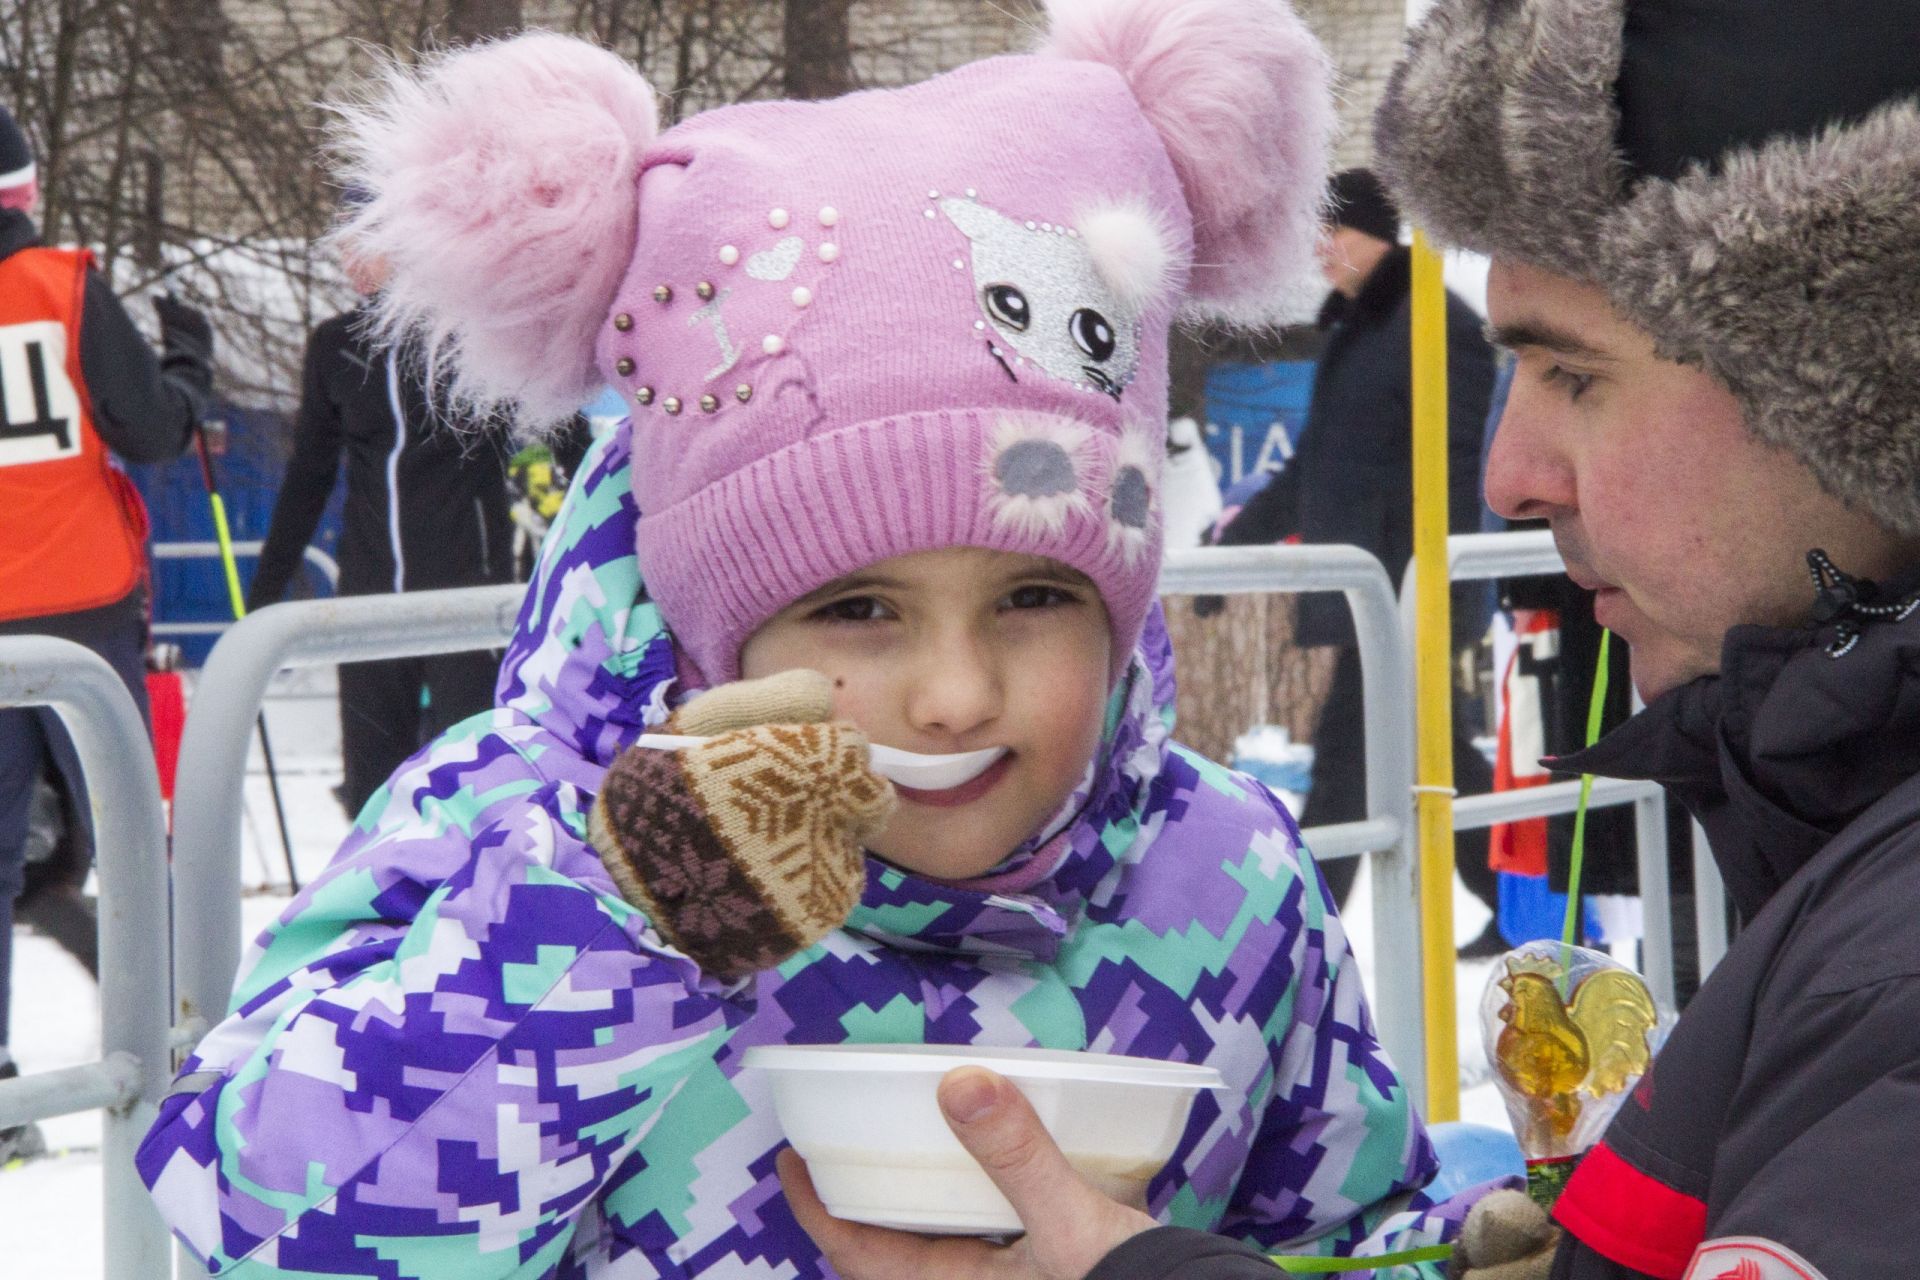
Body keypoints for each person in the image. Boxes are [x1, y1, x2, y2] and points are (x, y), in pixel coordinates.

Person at [136, 6, 1488, 1275]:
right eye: (858, 609)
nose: (957, 695)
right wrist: (623, 917)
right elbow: (262, 1229)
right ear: (711, 625)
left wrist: (1472, 1245)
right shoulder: (506, 822)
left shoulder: (1225, 876)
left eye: (1035, 598)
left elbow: (1338, 1224)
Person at [803, 2, 1920, 1278]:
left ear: (1859, 389)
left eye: (1575, 376)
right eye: (858, 605)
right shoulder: (1847, 863)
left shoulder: (1890, 988)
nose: (1510, 475)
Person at [0, 104, 212, 1162]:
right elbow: (152, 429)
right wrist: (188, 363)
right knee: (130, 838)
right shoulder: (64, 284)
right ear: (25, 190)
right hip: (81, 609)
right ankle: (181, 1039)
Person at [1212, 169, 1501, 942]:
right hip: (1373, 591)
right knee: (1421, 754)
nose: (1315, 254)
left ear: (1356, 233)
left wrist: (1429, 584)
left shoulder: (1433, 323)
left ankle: (1301, 928)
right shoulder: (1364, 330)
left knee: (1355, 760)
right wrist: (1238, 542)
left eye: (1322, 235)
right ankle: (1514, 899)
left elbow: (1463, 463)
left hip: (1407, 591)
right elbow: (1315, 464)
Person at [246, 235, 522, 818]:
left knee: (470, 774)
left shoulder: (470, 335)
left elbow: (564, 431)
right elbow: (310, 473)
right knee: (373, 785)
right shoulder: (337, 345)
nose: (348, 257)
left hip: (464, 595)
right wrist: (268, 586)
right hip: (370, 597)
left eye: (364, 239)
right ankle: (378, 902)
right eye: (340, 242)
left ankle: (475, 896)